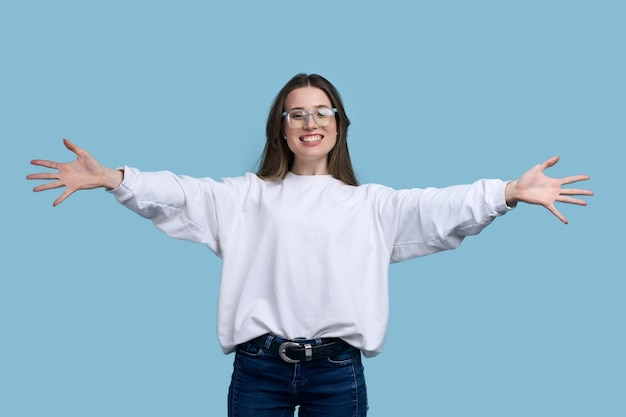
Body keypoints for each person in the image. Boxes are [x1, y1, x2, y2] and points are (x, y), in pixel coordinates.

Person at [27, 73, 593, 417]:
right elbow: (178, 193)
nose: (310, 121)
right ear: (282, 128)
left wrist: (507, 192)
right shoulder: (245, 198)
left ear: (340, 126)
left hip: (337, 371)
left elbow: (439, 207)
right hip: (258, 369)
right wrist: (117, 179)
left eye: (323, 111)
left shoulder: (372, 205)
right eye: (297, 113)